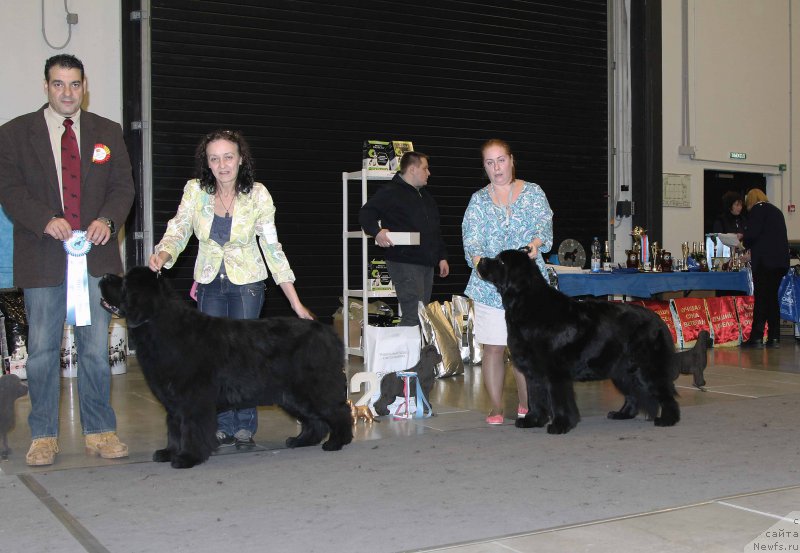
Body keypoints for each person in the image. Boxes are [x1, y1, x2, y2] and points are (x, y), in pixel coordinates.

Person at [0, 54, 135, 466]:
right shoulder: (14, 134)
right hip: (42, 258)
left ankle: (101, 431)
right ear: (46, 86)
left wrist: (107, 221)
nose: (67, 92)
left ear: (84, 86)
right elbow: (9, 189)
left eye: (74, 84)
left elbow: (123, 188)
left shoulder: (107, 132)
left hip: (95, 258)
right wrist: (46, 220)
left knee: (95, 349)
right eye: (59, 84)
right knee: (40, 351)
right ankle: (42, 435)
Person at [148, 129, 313, 448]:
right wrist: (164, 253)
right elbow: (179, 229)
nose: (222, 164)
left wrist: (295, 302)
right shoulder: (195, 191)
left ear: (240, 159)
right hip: (209, 282)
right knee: (211, 358)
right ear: (206, 163)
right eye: (214, 158)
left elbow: (272, 247)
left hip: (248, 283)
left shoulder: (259, 194)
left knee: (245, 356)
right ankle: (220, 422)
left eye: (228, 157)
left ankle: (244, 425)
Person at [462, 139, 553, 425]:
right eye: (489, 162)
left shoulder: (534, 193)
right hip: (490, 288)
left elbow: (544, 225)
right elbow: (471, 239)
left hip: (528, 289)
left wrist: (536, 244)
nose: (496, 167)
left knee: (525, 347)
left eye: (500, 160)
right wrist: (479, 263)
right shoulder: (478, 200)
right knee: (494, 346)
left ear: (512, 160)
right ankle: (496, 406)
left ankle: (528, 404)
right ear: (484, 167)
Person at [358, 152, 449, 326]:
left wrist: (442, 256)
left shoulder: (426, 197)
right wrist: (376, 232)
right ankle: (402, 352)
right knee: (413, 315)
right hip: (404, 262)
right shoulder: (390, 192)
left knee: (421, 316)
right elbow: (366, 213)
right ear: (413, 169)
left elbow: (435, 230)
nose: (428, 173)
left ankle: (412, 352)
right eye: (425, 168)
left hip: (426, 264)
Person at [738, 188, 789, 349]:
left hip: (765, 264)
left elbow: (752, 235)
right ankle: (774, 337)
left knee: (761, 299)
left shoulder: (757, 211)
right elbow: (770, 238)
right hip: (780, 263)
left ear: (750, 201)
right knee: (772, 299)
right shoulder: (776, 211)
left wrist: (743, 240)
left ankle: (757, 337)